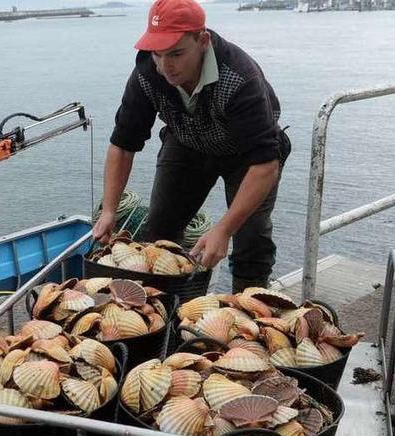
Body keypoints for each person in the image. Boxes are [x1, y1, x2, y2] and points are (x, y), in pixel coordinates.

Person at [93, 0, 291, 294]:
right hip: (187, 143)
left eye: (176, 53)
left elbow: (265, 164)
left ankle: (248, 311)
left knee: (251, 239)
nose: (165, 66)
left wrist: (223, 229)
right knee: (159, 231)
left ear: (203, 40)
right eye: (157, 54)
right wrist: (109, 209)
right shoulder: (148, 73)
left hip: (247, 157)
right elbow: (122, 145)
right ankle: (164, 313)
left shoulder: (239, 77)